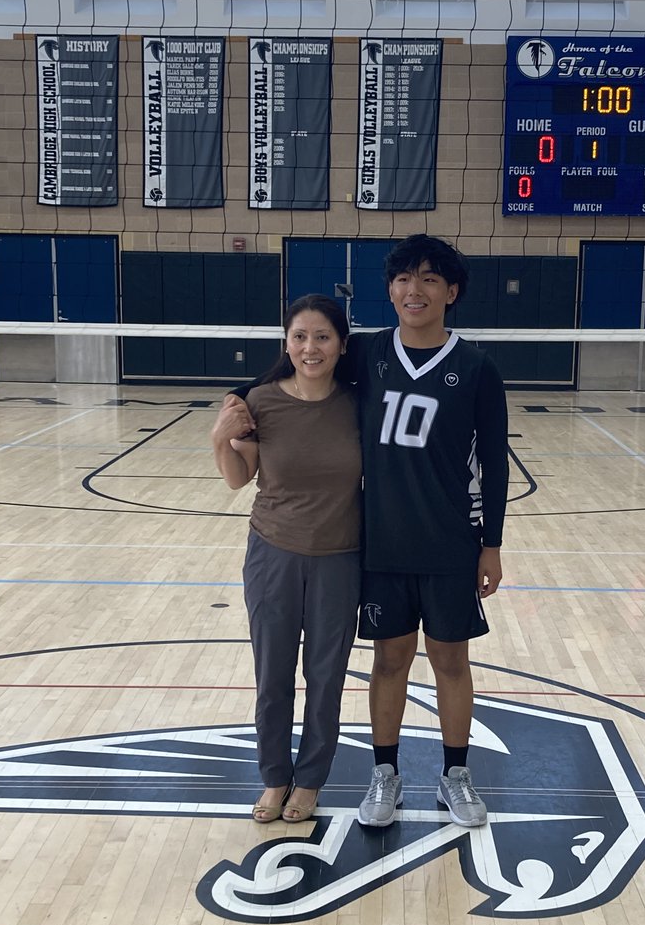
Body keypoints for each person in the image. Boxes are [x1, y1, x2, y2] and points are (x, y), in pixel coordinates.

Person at [348, 235, 509, 831]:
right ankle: (385, 774)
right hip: (382, 543)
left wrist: (490, 543)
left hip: (449, 545)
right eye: (403, 279)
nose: (414, 290)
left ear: (452, 291)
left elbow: (494, 463)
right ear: (390, 289)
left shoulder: (476, 367)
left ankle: (455, 775)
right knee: (389, 660)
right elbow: (299, 371)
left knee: (450, 660)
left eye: (429, 280)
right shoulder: (365, 355)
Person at [211, 294, 361, 824]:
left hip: (340, 559)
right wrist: (219, 439)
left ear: (342, 345)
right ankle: (274, 778)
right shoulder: (261, 401)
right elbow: (237, 477)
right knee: (272, 676)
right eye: (299, 336)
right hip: (272, 554)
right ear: (286, 344)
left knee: (326, 679)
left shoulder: (359, 402)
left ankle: (311, 781)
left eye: (322, 337)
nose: (310, 347)